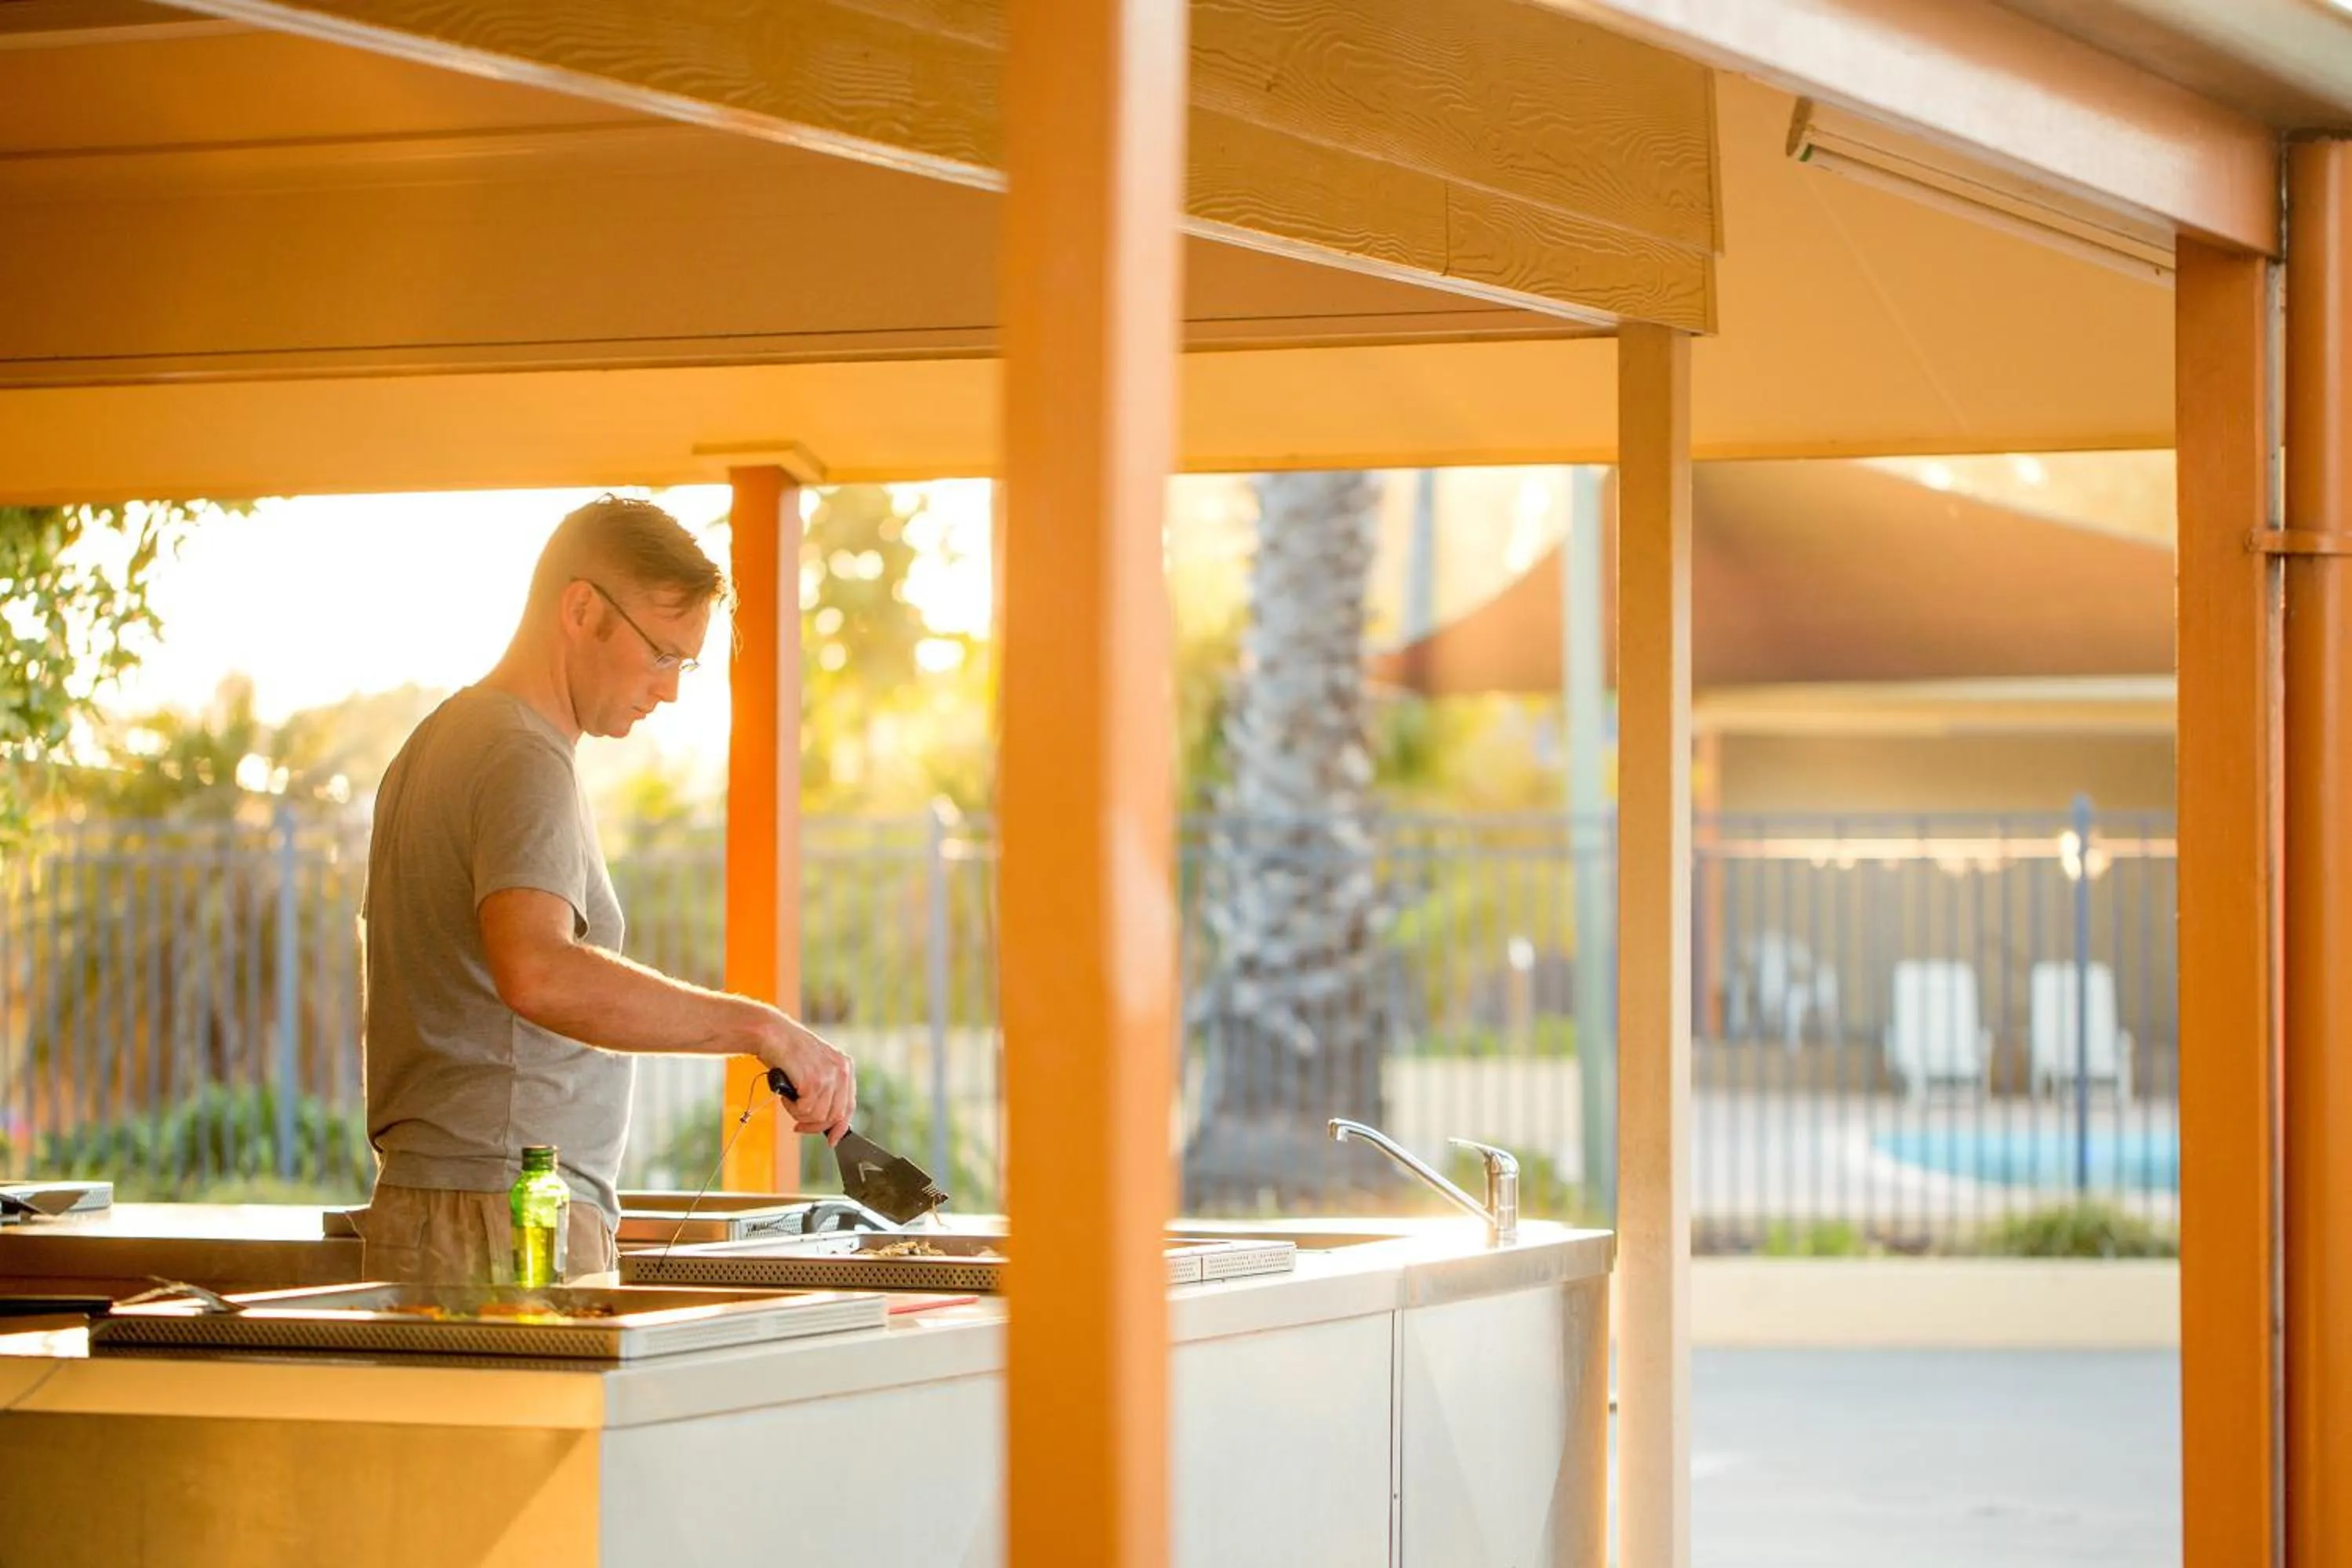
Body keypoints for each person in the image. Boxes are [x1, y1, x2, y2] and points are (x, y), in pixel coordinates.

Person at [357, 495, 855, 1284]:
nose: (671, 690)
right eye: (663, 653)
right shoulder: (522, 756)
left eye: (686, 663)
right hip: (508, 1215)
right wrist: (765, 1029)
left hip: (449, 1204)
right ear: (582, 609)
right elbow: (540, 970)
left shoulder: (440, 740)